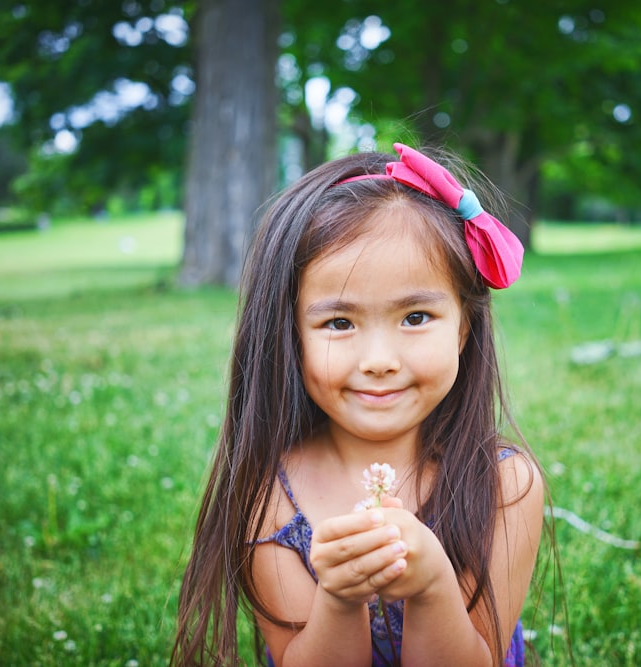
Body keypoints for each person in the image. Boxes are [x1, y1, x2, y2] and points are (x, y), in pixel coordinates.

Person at [172, 143, 548, 667]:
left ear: (464, 325)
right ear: (291, 334)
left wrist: (433, 584)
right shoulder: (270, 494)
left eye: (416, 316)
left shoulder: (505, 485)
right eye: (339, 323)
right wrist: (341, 598)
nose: (378, 360)